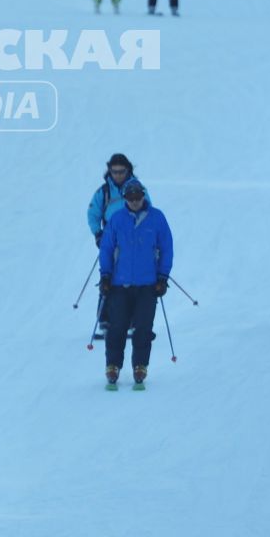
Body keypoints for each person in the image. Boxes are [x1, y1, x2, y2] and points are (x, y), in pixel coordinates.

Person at [97, 180, 173, 390]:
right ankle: (113, 365)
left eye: (137, 197)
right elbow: (106, 249)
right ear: (125, 199)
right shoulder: (117, 219)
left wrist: (162, 277)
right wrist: (105, 276)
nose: (134, 201)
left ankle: (140, 365)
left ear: (143, 196)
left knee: (143, 327)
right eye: (130, 197)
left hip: (147, 285)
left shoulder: (157, 218)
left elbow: (166, 248)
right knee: (117, 327)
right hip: (119, 284)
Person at [85, 153, 148, 340]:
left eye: (121, 171)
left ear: (128, 170)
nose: (118, 175)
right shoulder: (104, 192)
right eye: (114, 172)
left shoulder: (138, 189)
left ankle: (132, 320)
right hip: (111, 240)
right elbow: (93, 214)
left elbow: (148, 210)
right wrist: (98, 234)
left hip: (133, 241)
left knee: (133, 278)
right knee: (108, 275)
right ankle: (104, 319)